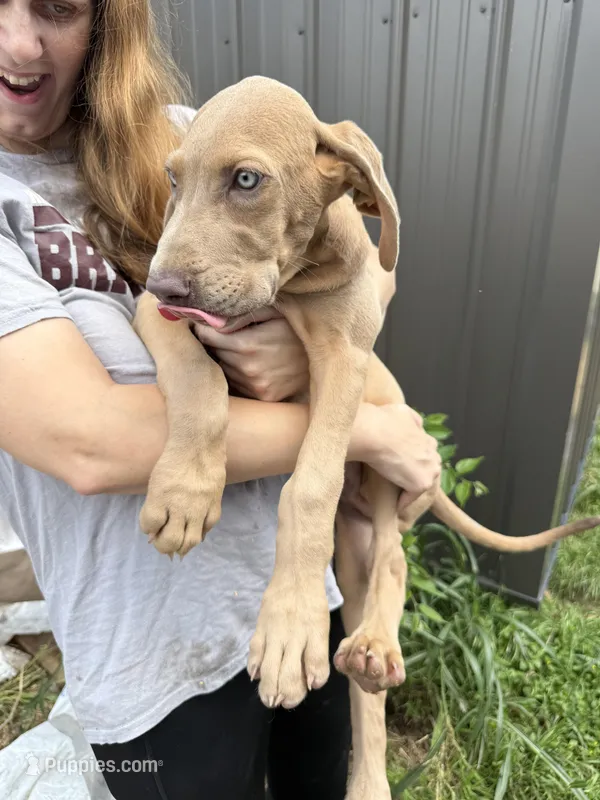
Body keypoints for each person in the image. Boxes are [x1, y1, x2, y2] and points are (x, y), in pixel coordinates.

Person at [0, 0, 441, 798]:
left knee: (320, 777)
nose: (19, 43)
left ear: (103, 22)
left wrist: (306, 352)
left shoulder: (185, 130)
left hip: (300, 598)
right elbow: (87, 442)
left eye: (56, 8)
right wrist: (372, 432)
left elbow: (368, 272)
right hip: (152, 665)